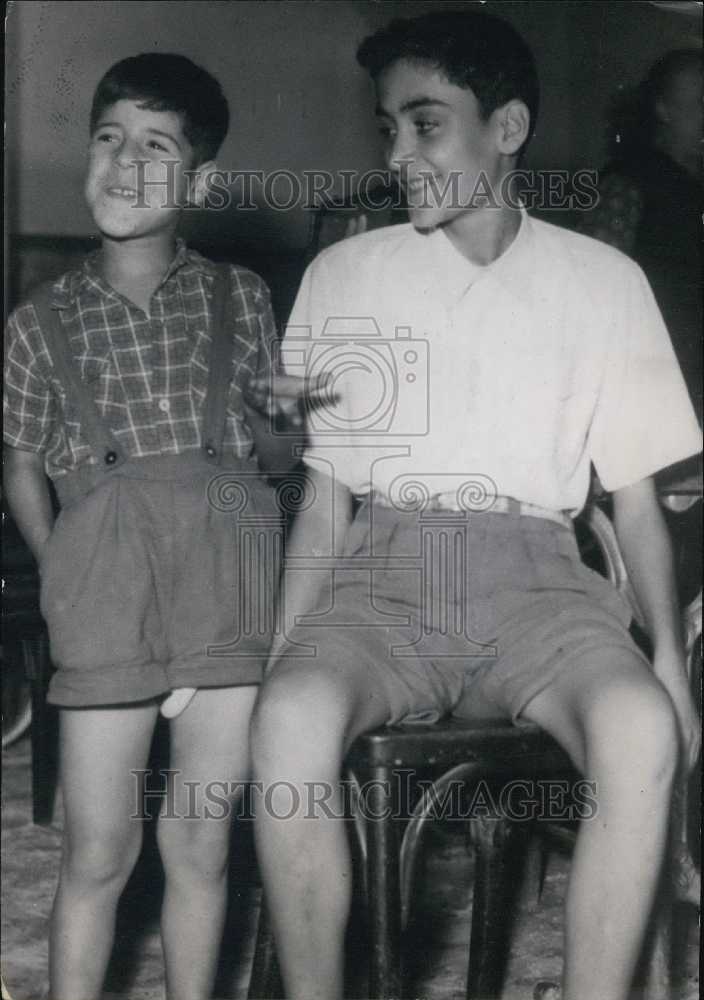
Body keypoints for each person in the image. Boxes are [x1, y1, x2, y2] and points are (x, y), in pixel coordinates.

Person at [249, 11, 702, 1000]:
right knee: (286, 717)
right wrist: (285, 655)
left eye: (425, 125)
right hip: (386, 574)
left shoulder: (602, 281)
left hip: (539, 582)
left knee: (637, 728)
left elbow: (632, 502)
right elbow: (324, 501)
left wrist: (665, 660)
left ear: (505, 128)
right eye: (386, 130)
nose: (399, 154)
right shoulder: (343, 275)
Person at [3, 53, 303, 1000]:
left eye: (156, 146)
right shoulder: (34, 321)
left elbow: (277, 460)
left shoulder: (241, 297)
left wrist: (285, 424)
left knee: (201, 841)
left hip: (226, 582)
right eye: (108, 137)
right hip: (104, 585)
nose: (125, 163)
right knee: (97, 852)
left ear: (200, 182)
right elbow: (19, 463)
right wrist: (65, 572)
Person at [580, 49, 703, 420]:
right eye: (700, 101)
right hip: (654, 387)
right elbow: (593, 287)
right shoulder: (627, 183)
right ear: (663, 110)